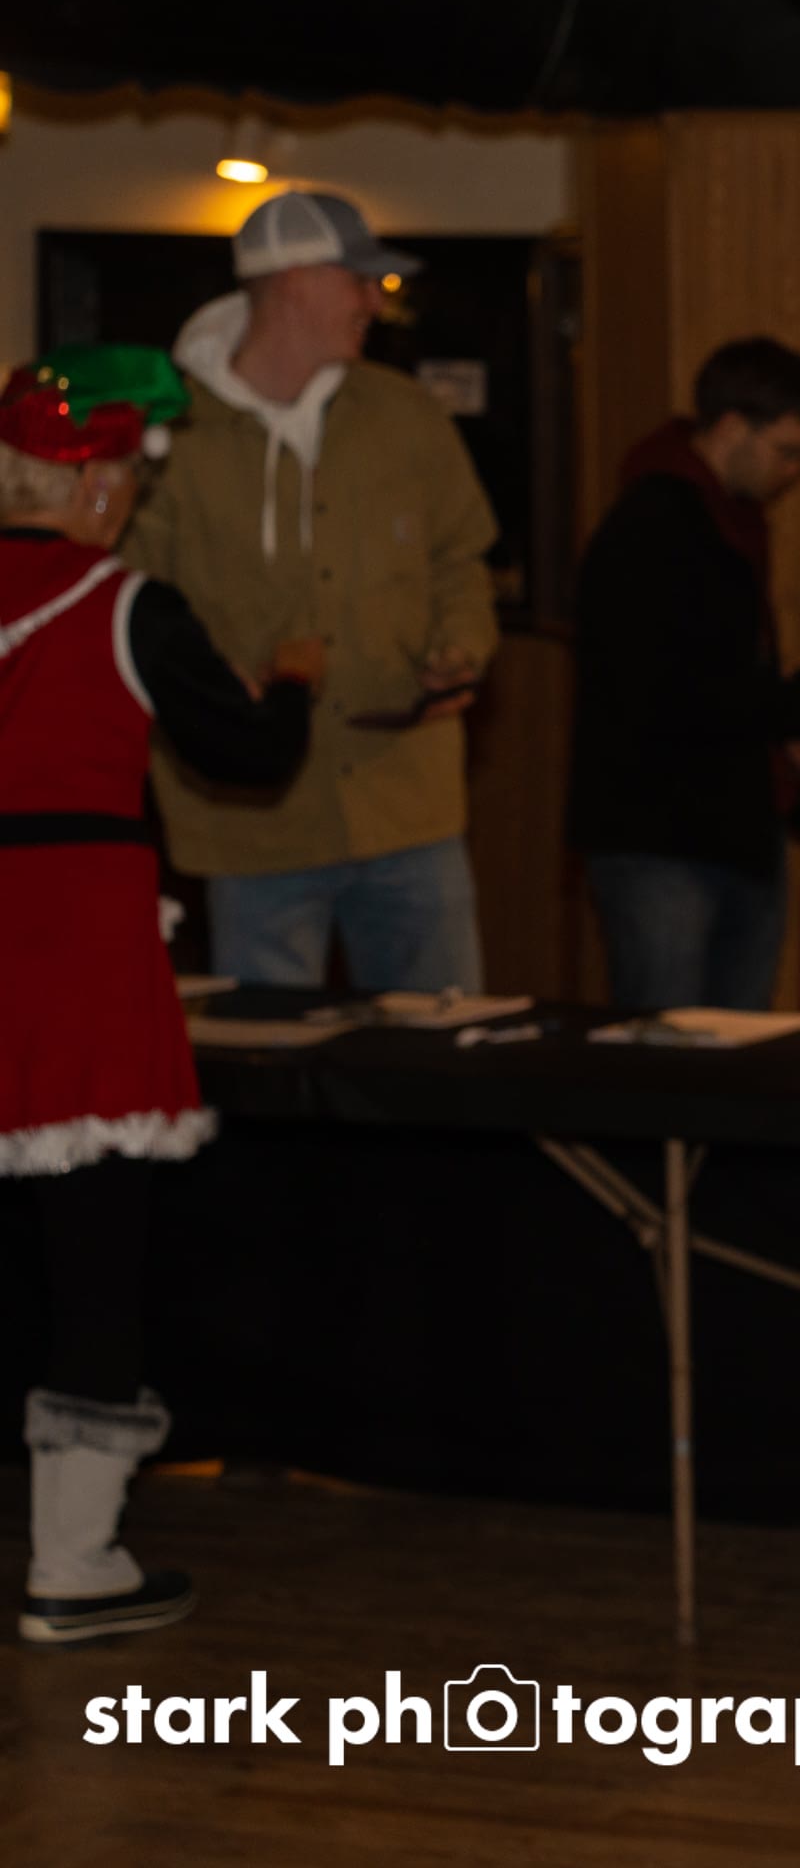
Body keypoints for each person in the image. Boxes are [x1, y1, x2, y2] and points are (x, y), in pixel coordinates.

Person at [2, 347, 319, 1644]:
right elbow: (246, 754)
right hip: (74, 953)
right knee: (91, 1255)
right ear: (97, 485)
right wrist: (293, 678)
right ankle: (73, 1561)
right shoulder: (126, 604)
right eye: (129, 477)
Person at [123, 189, 498, 994]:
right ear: (293, 282)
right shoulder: (170, 434)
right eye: (357, 281)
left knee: (438, 1047)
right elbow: (131, 602)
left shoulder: (405, 416)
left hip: (410, 805)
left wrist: (464, 645)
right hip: (255, 821)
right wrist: (213, 686)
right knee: (274, 1051)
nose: (375, 302)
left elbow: (462, 559)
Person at [568, 337, 800, 1010]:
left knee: (737, 1047)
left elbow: (722, 672)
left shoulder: (728, 518)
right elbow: (662, 688)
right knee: (669, 1044)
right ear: (733, 426)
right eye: (787, 451)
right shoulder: (652, 523)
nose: (795, 472)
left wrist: (789, 737)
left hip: (732, 824)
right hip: (659, 836)